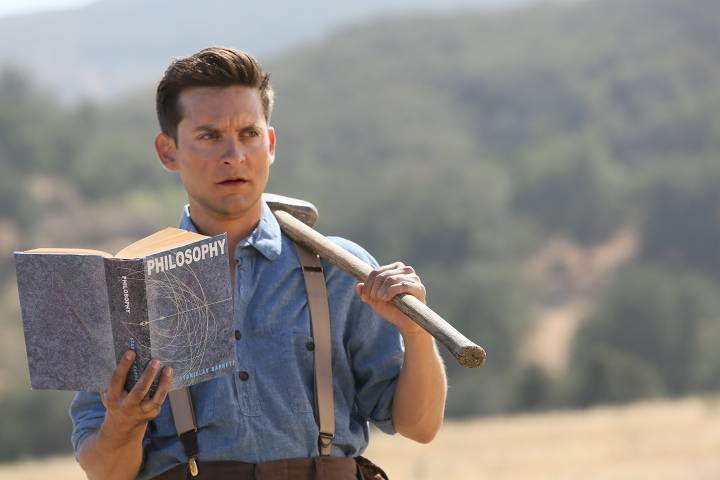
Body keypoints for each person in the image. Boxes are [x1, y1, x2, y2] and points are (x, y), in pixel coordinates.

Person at [69, 46, 447, 480]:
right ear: (168, 151)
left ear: (269, 144)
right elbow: (104, 471)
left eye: (249, 133)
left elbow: (420, 426)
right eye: (209, 136)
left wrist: (416, 333)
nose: (234, 154)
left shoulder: (342, 270)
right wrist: (123, 423)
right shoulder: (126, 289)